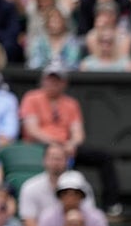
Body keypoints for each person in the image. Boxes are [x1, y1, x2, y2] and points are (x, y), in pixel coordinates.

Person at [19, 66, 121, 216]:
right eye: (50, 79)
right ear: (43, 81)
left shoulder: (70, 103)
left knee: (104, 157)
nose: (53, 83)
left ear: (64, 83)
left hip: (66, 148)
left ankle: (111, 205)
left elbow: (78, 133)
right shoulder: (31, 98)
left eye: (57, 80)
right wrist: (56, 143)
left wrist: (71, 144)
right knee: (58, 156)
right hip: (39, 146)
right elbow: (32, 130)